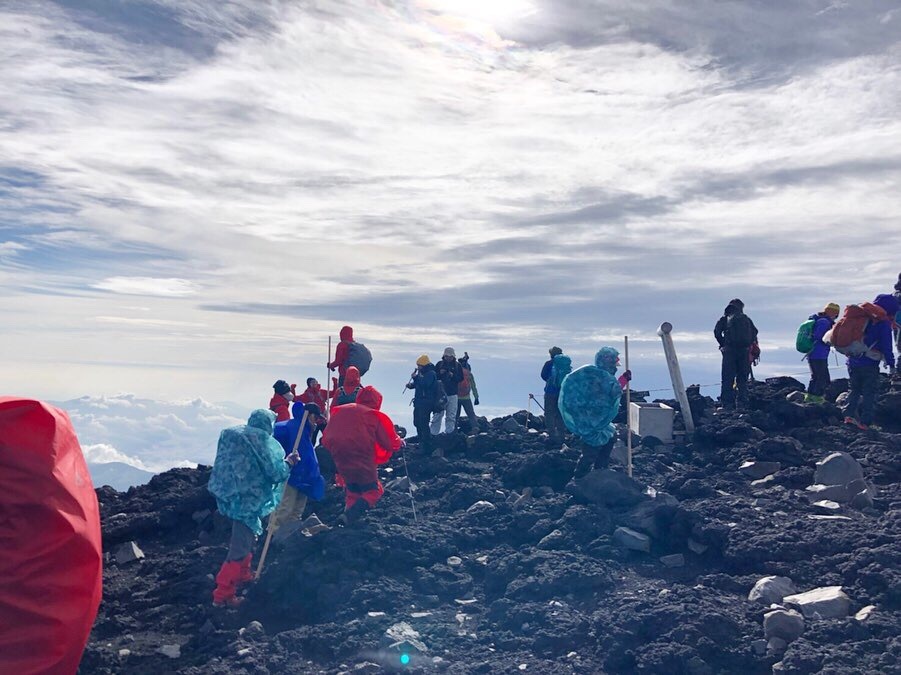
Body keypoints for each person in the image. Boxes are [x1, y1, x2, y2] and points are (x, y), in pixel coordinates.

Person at [207, 409, 298, 607]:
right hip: (248, 500)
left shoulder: (234, 435)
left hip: (231, 495)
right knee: (240, 546)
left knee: (247, 538)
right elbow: (275, 473)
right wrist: (289, 463)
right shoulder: (260, 441)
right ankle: (223, 595)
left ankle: (243, 575)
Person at [321, 385, 404, 525]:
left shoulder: (341, 411)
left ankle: (346, 522)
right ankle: (350, 516)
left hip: (340, 458)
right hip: (363, 459)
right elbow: (388, 443)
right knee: (373, 491)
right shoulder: (372, 415)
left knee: (352, 490)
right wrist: (399, 442)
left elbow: (326, 437)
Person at [559, 347, 631, 478]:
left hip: (585, 418)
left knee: (606, 439)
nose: (615, 367)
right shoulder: (603, 377)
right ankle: (582, 476)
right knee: (593, 447)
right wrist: (624, 380)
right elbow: (612, 392)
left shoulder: (589, 372)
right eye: (614, 363)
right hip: (593, 420)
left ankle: (596, 472)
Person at [270, 402, 326, 541]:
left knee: (295, 508)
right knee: (286, 506)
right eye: (316, 417)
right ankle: (274, 535)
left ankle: (287, 535)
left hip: (302, 475)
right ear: (310, 415)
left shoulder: (304, 428)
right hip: (292, 473)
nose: (316, 421)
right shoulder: (296, 428)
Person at [843, 294, 898, 430]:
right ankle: (865, 423)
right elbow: (886, 345)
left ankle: (848, 416)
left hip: (852, 360)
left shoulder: (861, 317)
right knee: (869, 392)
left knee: (854, 390)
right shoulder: (883, 322)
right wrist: (891, 364)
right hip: (869, 363)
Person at [714, 299, 759, 410]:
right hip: (744, 351)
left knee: (727, 378)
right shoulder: (746, 319)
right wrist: (748, 344)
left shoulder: (725, 319)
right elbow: (755, 332)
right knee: (742, 379)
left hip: (729, 351)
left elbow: (716, 332)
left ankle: (727, 405)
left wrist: (723, 343)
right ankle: (742, 403)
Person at [804, 303, 840, 403]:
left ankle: (809, 397)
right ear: (833, 313)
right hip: (818, 354)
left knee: (815, 376)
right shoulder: (824, 322)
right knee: (823, 378)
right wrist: (831, 341)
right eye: (836, 315)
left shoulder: (819, 320)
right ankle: (817, 398)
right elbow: (820, 337)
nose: (836, 317)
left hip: (813, 353)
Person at [407, 354, 438, 452]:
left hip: (426, 403)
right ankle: (421, 441)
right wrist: (411, 385)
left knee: (423, 423)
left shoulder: (431, 373)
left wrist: (416, 378)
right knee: (417, 422)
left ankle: (426, 444)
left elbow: (425, 385)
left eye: (420, 365)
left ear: (424, 365)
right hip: (419, 402)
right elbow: (418, 385)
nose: (418, 367)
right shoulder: (422, 373)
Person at [431, 347, 463, 434]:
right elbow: (433, 378)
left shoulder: (457, 366)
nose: (448, 358)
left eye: (450, 356)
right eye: (446, 356)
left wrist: (452, 375)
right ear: (444, 356)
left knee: (451, 416)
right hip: (440, 395)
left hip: (452, 394)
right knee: (437, 415)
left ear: (453, 356)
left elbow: (460, 378)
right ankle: (433, 434)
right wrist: (440, 373)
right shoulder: (439, 365)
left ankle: (449, 434)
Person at [540, 346, 567, 446]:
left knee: (549, 413)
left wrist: (550, 381)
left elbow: (543, 375)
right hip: (562, 393)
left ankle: (552, 435)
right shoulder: (565, 364)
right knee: (560, 413)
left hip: (550, 392)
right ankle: (561, 435)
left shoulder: (548, 363)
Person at [299, 377, 329, 444]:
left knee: (327, 437)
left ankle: (323, 450)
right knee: (312, 439)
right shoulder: (307, 394)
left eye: (315, 381)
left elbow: (332, 393)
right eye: (312, 382)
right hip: (313, 421)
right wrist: (293, 389)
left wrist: (335, 383)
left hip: (323, 420)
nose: (314, 383)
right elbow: (295, 399)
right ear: (309, 384)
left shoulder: (322, 392)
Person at [456, 353, 480, 433]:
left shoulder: (456, 372)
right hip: (466, 397)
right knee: (471, 414)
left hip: (456, 397)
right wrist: (476, 397)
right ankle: (475, 428)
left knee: (455, 415)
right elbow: (473, 386)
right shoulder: (469, 374)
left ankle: (453, 430)